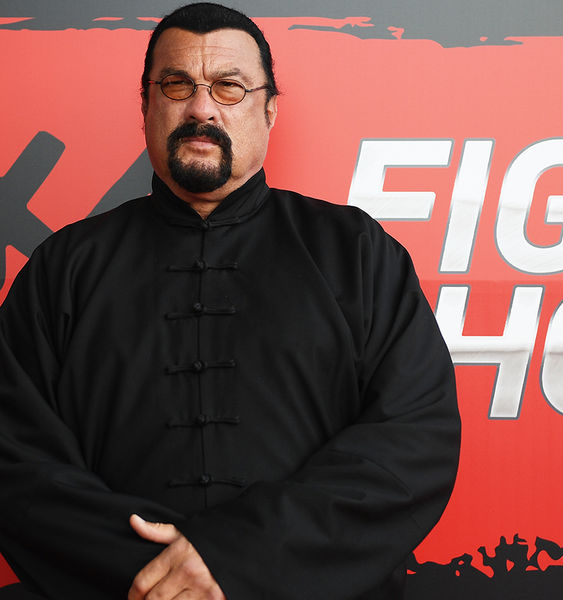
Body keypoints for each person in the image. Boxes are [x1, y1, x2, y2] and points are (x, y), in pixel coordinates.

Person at [0, 3, 460, 599]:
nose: (201, 108)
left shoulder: (357, 252)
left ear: (269, 110)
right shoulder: (63, 268)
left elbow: (412, 440)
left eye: (229, 87)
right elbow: (15, 460)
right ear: (146, 106)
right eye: (176, 85)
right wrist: (155, 576)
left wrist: (235, 557)